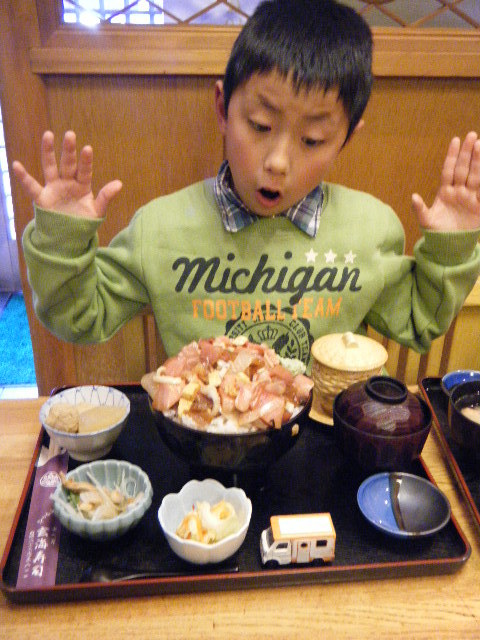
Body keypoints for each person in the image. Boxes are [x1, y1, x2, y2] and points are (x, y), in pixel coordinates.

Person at [12, 0, 480, 372]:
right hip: (203, 442)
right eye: (259, 125)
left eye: (313, 139)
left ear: (346, 139)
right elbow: (78, 319)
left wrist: (451, 248)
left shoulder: (371, 228)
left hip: (323, 439)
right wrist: (62, 238)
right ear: (223, 108)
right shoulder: (160, 228)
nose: (277, 162)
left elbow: (419, 323)